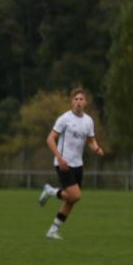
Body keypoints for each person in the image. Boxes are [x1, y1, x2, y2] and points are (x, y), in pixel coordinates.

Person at [38, 88, 104, 240]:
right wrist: (59, 158)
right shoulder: (64, 119)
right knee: (76, 195)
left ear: (85, 103)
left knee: (72, 200)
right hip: (64, 163)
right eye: (76, 99)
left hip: (78, 165)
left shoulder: (88, 121)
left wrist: (97, 148)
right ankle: (51, 191)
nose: (79, 102)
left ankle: (53, 230)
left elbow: (90, 140)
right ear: (71, 102)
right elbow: (50, 139)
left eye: (81, 99)